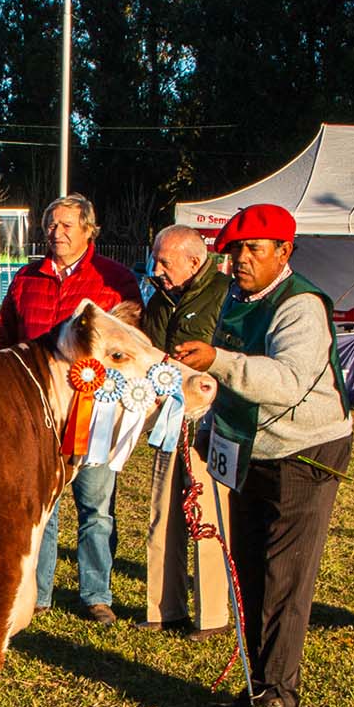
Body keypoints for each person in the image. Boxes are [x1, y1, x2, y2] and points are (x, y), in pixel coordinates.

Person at [198, 204, 353, 707]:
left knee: (284, 582)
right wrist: (209, 423)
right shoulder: (236, 299)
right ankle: (258, 687)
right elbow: (229, 380)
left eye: (253, 250)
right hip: (252, 449)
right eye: (235, 250)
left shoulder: (302, 305)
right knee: (252, 574)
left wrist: (215, 359)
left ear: (284, 252)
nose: (240, 260)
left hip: (303, 455)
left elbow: (287, 380)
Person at [0, 194, 143, 624]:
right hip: (39, 413)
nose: (55, 233)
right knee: (42, 505)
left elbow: (131, 340)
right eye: (51, 225)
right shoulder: (26, 279)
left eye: (65, 226)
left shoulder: (114, 280)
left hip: (96, 412)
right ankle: (38, 592)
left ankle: (96, 593)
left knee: (95, 505)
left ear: (88, 230)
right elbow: (7, 339)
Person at [139, 224, 231, 639]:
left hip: (208, 422)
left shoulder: (224, 293)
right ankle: (163, 608)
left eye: (165, 261)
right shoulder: (158, 298)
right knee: (163, 513)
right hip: (166, 421)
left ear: (195, 262)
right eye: (156, 259)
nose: (157, 268)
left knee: (208, 514)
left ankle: (212, 615)